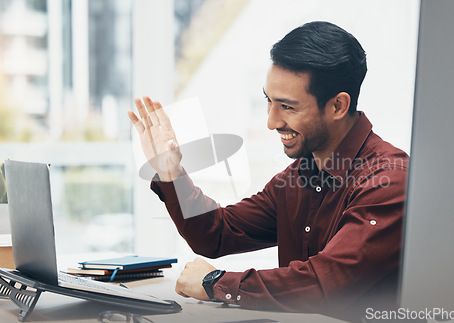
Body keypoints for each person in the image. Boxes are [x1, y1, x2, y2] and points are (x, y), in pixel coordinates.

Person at [128, 21, 408, 322]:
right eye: (268, 101)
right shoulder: (299, 176)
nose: (271, 122)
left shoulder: (389, 180)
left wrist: (215, 283)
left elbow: (325, 283)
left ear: (338, 105)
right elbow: (216, 234)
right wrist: (171, 172)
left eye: (288, 107)